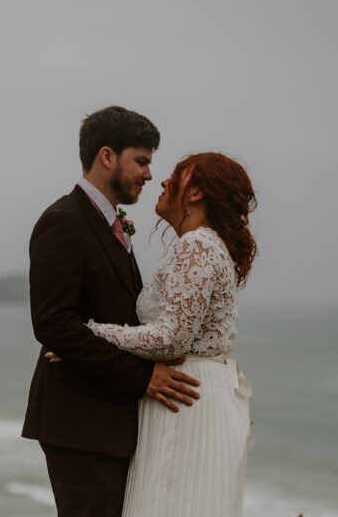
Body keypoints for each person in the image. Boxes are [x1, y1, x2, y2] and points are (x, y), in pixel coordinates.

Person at [47, 152, 257, 517]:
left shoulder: (197, 245)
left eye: (177, 174)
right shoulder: (207, 244)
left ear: (196, 193)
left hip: (184, 396)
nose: (161, 180)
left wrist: (90, 333)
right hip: (194, 390)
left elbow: (171, 339)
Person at [22, 106, 202, 517]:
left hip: (108, 421)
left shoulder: (113, 226)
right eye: (141, 161)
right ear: (107, 156)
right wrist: (142, 376)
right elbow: (53, 324)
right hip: (81, 423)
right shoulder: (62, 222)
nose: (148, 174)